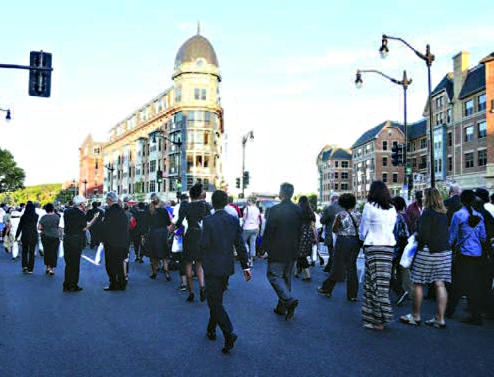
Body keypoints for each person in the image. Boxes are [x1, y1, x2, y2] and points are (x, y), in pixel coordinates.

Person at [199, 190, 252, 353]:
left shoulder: (207, 221)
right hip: (227, 265)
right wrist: (245, 266)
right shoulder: (233, 220)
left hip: (212, 265)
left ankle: (228, 332)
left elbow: (204, 243)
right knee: (217, 299)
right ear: (226, 202)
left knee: (213, 302)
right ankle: (211, 329)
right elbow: (240, 244)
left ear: (213, 204)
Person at [400, 187, 452, 329]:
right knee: (440, 284)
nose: (422, 198)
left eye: (423, 196)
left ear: (428, 198)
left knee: (418, 283)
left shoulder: (426, 214)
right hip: (444, 252)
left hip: (427, 252)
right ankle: (440, 318)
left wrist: (416, 237)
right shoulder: (443, 214)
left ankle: (415, 316)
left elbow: (423, 236)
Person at [359, 180, 396, 330]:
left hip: (373, 246)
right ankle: (379, 318)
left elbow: (363, 230)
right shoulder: (392, 209)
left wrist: (363, 238)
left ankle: (378, 318)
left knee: (371, 283)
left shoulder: (369, 207)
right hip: (388, 248)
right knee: (382, 283)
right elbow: (391, 228)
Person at [262, 182, 302, 320]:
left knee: (273, 275)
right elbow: (300, 231)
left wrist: (263, 247)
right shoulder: (298, 210)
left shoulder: (274, 210)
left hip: (277, 248)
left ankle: (288, 300)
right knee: (286, 277)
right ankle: (282, 307)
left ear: (282, 193)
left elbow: (268, 231)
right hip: (293, 248)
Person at [447, 189, 486, 325]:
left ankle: (449, 310)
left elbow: (452, 236)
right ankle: (476, 315)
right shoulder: (479, 216)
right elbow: (483, 237)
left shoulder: (458, 215)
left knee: (458, 284)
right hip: (477, 255)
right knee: (474, 286)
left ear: (462, 200)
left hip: (463, 254)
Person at [317, 193, 361, 300]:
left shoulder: (340, 215)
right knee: (352, 267)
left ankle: (327, 288)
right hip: (355, 241)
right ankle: (352, 295)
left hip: (342, 240)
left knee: (337, 266)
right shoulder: (359, 214)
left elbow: (335, 229)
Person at [172, 183, 210, 302]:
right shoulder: (205, 206)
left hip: (190, 235)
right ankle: (202, 286)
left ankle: (191, 292)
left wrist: (172, 232)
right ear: (199, 194)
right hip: (201, 234)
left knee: (188, 263)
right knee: (199, 263)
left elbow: (178, 222)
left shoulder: (186, 206)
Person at [62, 195, 99, 292]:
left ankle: (66, 284)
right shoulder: (80, 214)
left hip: (67, 238)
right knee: (75, 263)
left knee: (68, 263)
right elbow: (84, 227)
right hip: (76, 239)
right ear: (81, 203)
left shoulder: (66, 212)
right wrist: (94, 218)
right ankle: (73, 284)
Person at [101, 191, 130, 291]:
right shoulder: (122, 212)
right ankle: (122, 283)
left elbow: (105, 227)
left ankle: (113, 283)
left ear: (109, 200)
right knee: (120, 263)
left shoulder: (109, 212)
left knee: (111, 264)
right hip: (122, 242)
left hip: (111, 242)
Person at [143, 193, 171, 281]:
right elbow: (168, 223)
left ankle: (154, 272)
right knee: (164, 253)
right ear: (159, 202)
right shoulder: (164, 211)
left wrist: (143, 236)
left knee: (153, 254)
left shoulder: (149, 211)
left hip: (153, 233)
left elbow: (146, 225)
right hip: (163, 232)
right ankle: (166, 270)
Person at [390, 196, 411, 305]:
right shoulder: (402, 217)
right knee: (397, 272)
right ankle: (399, 292)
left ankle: (399, 292)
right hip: (400, 249)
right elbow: (406, 234)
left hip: (391, 248)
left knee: (388, 273)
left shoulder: (392, 217)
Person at [320, 193, 344, 273]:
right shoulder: (344, 207)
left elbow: (322, 220)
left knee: (332, 254)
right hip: (343, 235)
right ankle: (329, 268)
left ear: (332, 199)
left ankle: (335, 272)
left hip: (331, 235)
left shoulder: (329, 208)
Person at [295, 195, 316, 281]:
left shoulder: (298, 210)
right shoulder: (311, 211)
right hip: (309, 233)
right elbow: (313, 225)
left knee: (301, 255)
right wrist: (315, 236)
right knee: (301, 253)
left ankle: (308, 275)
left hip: (300, 233)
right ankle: (296, 271)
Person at [15, 201, 39, 274]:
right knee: (32, 252)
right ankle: (30, 269)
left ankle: (24, 266)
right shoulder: (36, 216)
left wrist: (16, 235)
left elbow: (20, 227)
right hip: (33, 234)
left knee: (24, 251)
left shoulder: (23, 216)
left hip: (25, 235)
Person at [38, 203, 61, 276]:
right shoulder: (57, 217)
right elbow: (59, 227)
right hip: (55, 236)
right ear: (53, 209)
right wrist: (60, 235)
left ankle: (47, 267)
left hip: (45, 236)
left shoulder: (43, 217)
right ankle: (51, 269)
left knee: (47, 251)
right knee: (54, 252)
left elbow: (39, 227)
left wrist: (44, 228)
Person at [242, 197, 261, 266]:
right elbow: (258, 219)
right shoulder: (257, 209)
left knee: (243, 242)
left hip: (247, 227)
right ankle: (251, 260)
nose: (247, 202)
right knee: (253, 243)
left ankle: (247, 257)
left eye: (248, 201)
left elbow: (244, 218)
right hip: (255, 227)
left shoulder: (246, 208)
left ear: (250, 201)